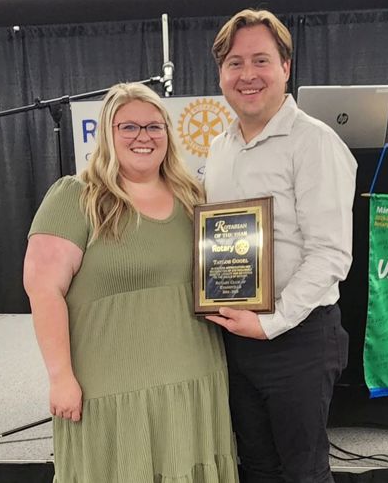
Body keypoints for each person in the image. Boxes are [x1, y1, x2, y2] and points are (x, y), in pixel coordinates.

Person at [23, 82, 239, 483]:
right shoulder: (77, 196)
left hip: (194, 377)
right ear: (107, 133)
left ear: (167, 134)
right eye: (129, 127)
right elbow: (43, 290)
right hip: (111, 390)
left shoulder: (193, 197)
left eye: (154, 126)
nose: (144, 136)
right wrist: (60, 378)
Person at [204, 9, 357, 483]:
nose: (247, 74)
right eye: (234, 63)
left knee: (304, 473)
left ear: (286, 67)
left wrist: (270, 323)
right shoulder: (219, 147)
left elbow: (331, 254)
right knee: (256, 468)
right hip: (235, 336)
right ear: (221, 74)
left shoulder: (314, 142)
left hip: (298, 338)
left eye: (260, 60)